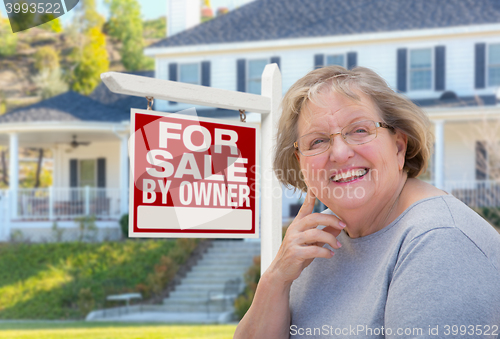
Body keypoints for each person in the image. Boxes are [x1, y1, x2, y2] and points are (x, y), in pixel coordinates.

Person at [234, 66, 500, 338]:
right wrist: (276, 278)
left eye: (359, 130)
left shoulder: (440, 240)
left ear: (398, 147)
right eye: (317, 141)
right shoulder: (314, 244)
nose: (339, 153)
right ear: (300, 164)